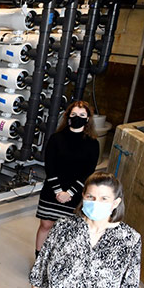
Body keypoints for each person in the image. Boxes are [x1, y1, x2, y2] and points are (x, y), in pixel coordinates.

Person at [35, 101, 100, 255]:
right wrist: (58, 191)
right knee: (46, 225)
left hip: (75, 193)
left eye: (82, 115)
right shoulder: (56, 138)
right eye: (74, 115)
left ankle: (58, 262)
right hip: (52, 191)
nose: (78, 118)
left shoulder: (92, 144)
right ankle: (39, 260)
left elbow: (88, 171)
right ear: (68, 117)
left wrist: (69, 193)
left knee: (67, 231)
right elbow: (50, 166)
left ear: (88, 119)